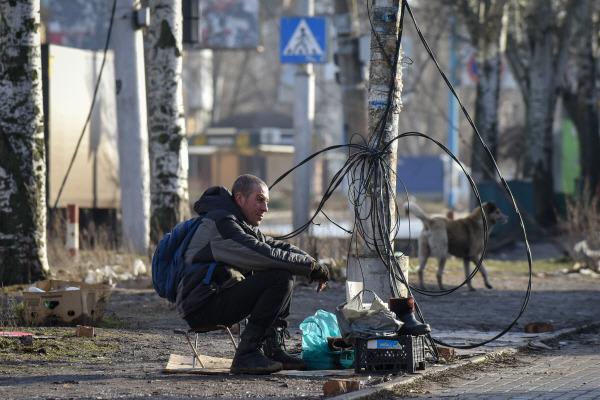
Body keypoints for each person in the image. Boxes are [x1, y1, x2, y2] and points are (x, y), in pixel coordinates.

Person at [175, 174, 330, 375]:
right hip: (201, 306)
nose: (265, 208)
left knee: (281, 272)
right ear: (239, 199)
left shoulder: (238, 223)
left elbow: (275, 246)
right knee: (279, 277)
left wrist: (313, 264)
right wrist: (310, 267)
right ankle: (246, 354)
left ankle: (272, 350)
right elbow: (264, 254)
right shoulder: (222, 224)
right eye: (259, 200)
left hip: (214, 299)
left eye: (266, 202)